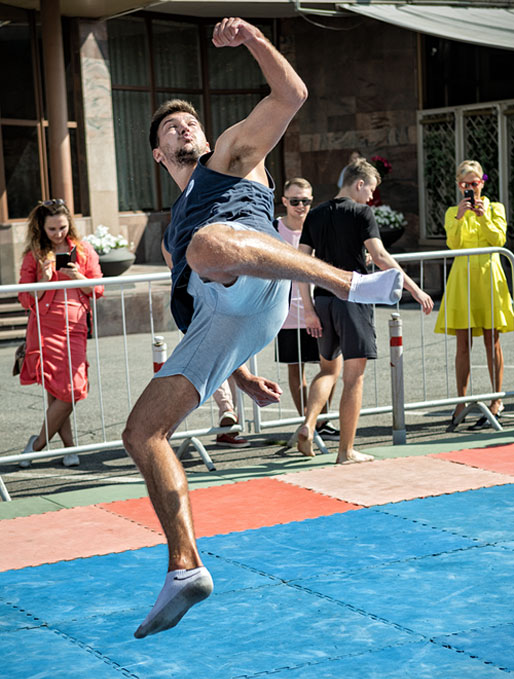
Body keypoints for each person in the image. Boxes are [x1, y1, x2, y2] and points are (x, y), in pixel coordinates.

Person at [122, 17, 404, 640]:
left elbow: (292, 96)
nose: (185, 127)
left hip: (256, 273)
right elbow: (200, 301)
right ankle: (184, 567)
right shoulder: (173, 228)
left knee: (205, 245)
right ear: (158, 153)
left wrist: (250, 39)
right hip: (225, 317)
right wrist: (243, 376)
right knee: (141, 431)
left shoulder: (229, 157)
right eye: (172, 127)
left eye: (190, 120)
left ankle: (348, 282)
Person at [297, 159, 434, 463]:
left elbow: (302, 265)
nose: (372, 198)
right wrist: (414, 288)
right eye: (370, 189)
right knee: (353, 378)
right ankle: (345, 451)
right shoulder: (362, 212)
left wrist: (308, 309)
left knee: (327, 370)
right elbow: (382, 257)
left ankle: (307, 425)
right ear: (359, 184)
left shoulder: (315, 214)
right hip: (353, 299)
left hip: (322, 300)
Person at [17, 198, 104, 468]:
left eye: (63, 227)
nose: (58, 234)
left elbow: (98, 289)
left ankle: (37, 444)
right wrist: (43, 280)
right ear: (41, 228)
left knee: (73, 388)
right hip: (44, 328)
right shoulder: (34, 254)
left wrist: (78, 276)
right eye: (52, 229)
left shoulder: (84, 250)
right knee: (57, 391)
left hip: (75, 327)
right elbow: (24, 298)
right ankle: (69, 446)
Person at [434, 159, 514, 431]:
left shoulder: (495, 208)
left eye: (475, 183)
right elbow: (453, 244)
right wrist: (459, 217)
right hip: (463, 278)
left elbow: (499, 239)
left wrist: (483, 216)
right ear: (459, 186)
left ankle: (496, 399)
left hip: (489, 277)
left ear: (483, 182)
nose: (471, 189)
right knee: (462, 342)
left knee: (493, 341)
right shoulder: (452, 212)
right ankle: (461, 401)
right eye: (465, 184)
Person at [161, 241, 247, 447]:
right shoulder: (175, 236)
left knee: (233, 361)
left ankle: (228, 427)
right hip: (199, 307)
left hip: (226, 303)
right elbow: (176, 268)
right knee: (212, 360)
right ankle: (227, 411)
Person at [274, 177, 340, 436]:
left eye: (306, 201)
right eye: (295, 201)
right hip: (286, 311)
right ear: (284, 202)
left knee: (330, 367)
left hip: (321, 307)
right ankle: (307, 423)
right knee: (296, 367)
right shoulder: (273, 228)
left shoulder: (319, 226)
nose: (300, 206)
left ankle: (323, 420)